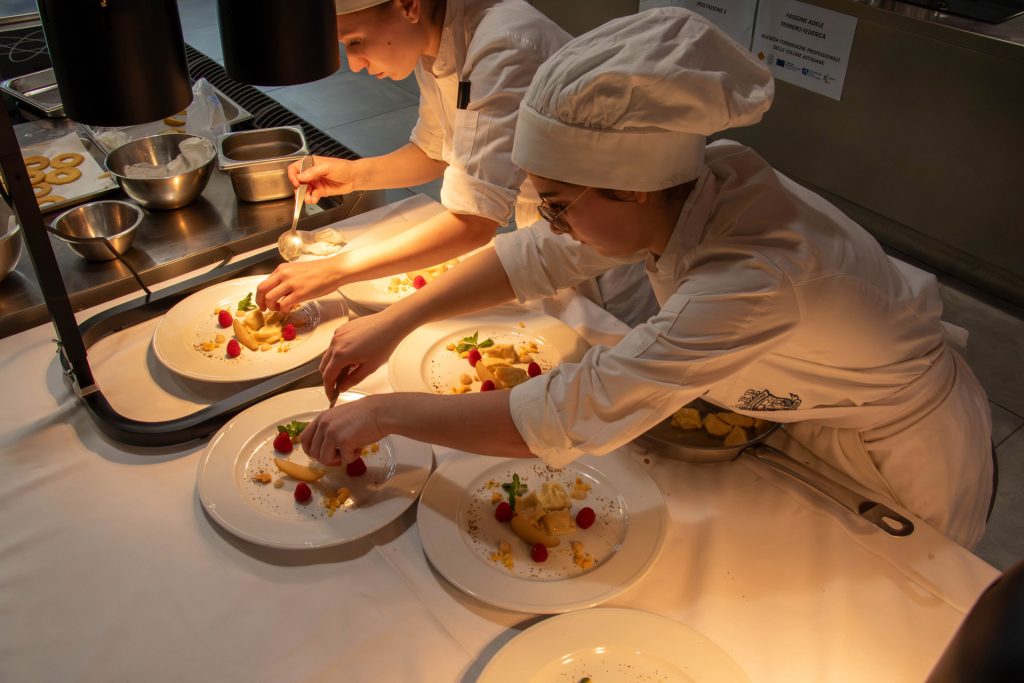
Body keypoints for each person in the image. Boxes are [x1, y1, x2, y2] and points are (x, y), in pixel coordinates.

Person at [298, 8, 993, 548]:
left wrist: (384, 413)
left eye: (559, 205)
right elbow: (539, 256)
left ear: (630, 189)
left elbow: (573, 409)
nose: (552, 224)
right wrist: (399, 320)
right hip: (810, 406)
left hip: (898, 452)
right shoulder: (688, 185)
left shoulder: (752, 279)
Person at [255, 0, 658, 326]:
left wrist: (334, 269)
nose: (355, 63)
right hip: (553, 232)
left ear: (409, 5)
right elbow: (435, 150)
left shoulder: (503, 45)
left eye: (356, 41)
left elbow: (473, 223)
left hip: (607, 251)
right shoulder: (435, 43)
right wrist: (356, 175)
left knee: (614, 363)